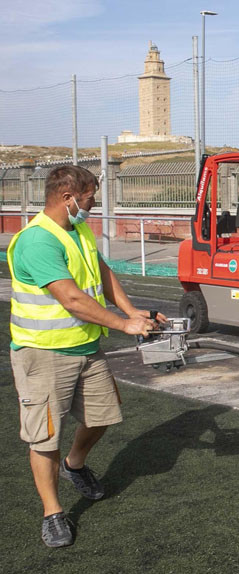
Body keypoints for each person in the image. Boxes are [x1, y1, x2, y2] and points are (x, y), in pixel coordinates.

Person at [8, 164, 166, 548]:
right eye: (90, 196)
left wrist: (131, 312)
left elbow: (101, 271)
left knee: (103, 416)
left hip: (84, 347)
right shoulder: (37, 241)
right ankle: (53, 513)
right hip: (43, 354)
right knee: (45, 436)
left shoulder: (75, 231)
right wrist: (122, 325)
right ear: (68, 198)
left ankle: (73, 465)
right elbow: (72, 298)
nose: (93, 204)